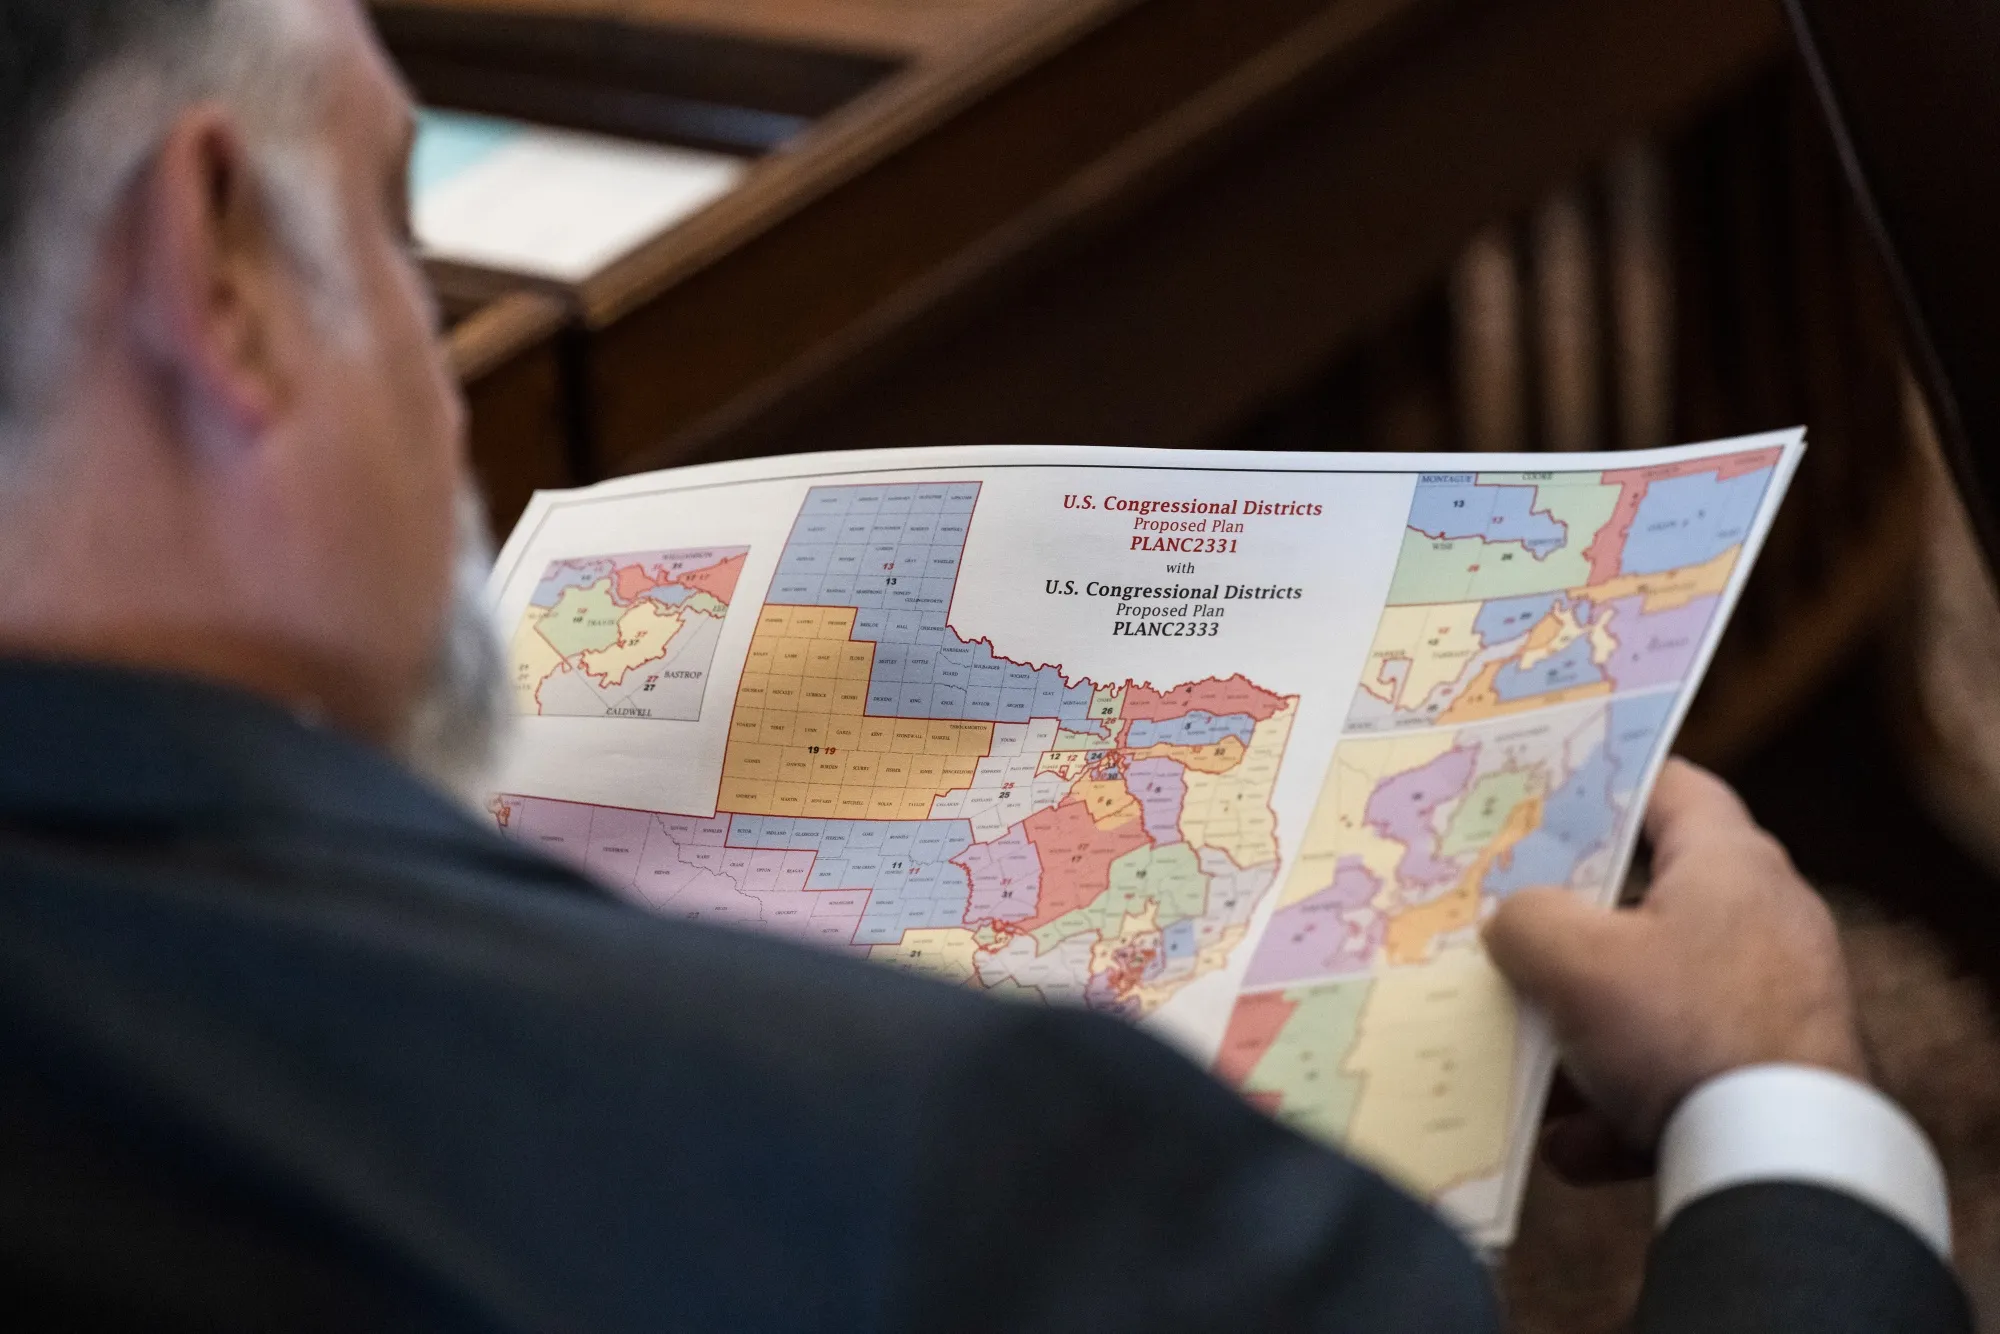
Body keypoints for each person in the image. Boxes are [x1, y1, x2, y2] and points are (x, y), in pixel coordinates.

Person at [0, 1, 1971, 1329]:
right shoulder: (961, 1166)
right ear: (225, 282)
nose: (444, 387)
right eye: (392, 233)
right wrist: (1775, 1096)